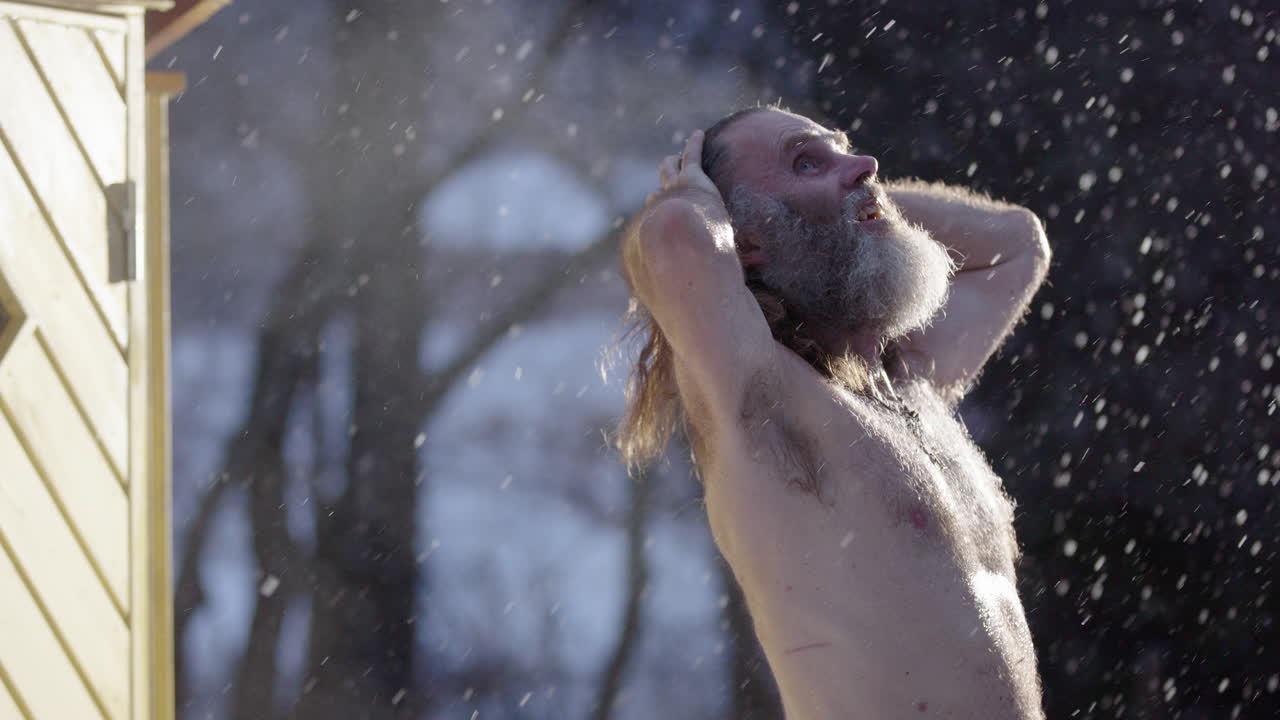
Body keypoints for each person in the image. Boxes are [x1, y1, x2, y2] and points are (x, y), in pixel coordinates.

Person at [615, 106, 1052, 719]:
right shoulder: (765, 400)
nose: (866, 165)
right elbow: (674, 239)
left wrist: (852, 195)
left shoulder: (909, 382)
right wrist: (700, 195)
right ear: (744, 240)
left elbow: (1017, 245)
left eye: (847, 150)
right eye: (805, 161)